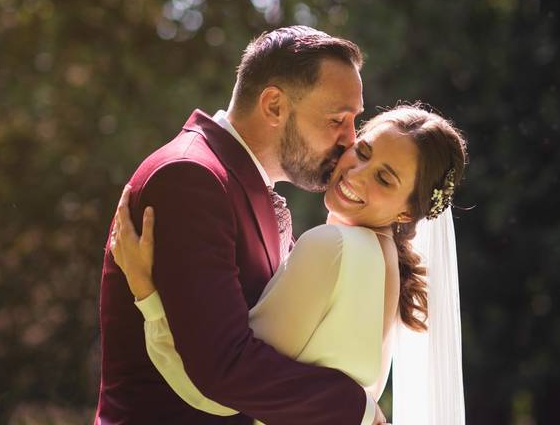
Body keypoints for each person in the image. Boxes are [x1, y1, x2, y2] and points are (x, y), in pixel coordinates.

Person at [95, 26, 386, 424]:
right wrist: (356, 410)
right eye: (337, 119)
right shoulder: (189, 178)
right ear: (273, 106)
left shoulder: (243, 186)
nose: (349, 139)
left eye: (355, 121)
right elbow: (223, 365)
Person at [111, 105, 469, 425]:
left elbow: (219, 391)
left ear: (407, 211)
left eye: (383, 178)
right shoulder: (387, 261)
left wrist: (146, 292)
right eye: (362, 152)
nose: (357, 174)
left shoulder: (333, 248)